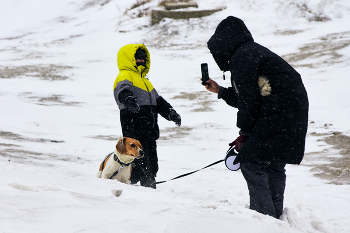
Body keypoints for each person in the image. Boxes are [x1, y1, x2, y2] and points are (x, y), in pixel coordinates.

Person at [203, 16, 309, 218]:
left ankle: (265, 221)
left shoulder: (243, 57)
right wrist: (220, 91)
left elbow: (250, 102)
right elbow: (252, 96)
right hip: (292, 113)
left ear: (224, 44)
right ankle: (275, 219)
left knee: (251, 161)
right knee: (274, 162)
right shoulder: (252, 52)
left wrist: (244, 135)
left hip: (279, 113)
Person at [114, 44, 181, 189]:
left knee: (151, 163)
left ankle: (146, 184)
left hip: (149, 132)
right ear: (129, 59)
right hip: (134, 132)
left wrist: (170, 112)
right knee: (139, 165)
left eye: (143, 59)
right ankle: (139, 188)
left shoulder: (146, 81)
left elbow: (159, 101)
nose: (142, 61)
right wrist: (129, 101)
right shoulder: (125, 76)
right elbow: (122, 91)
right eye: (138, 58)